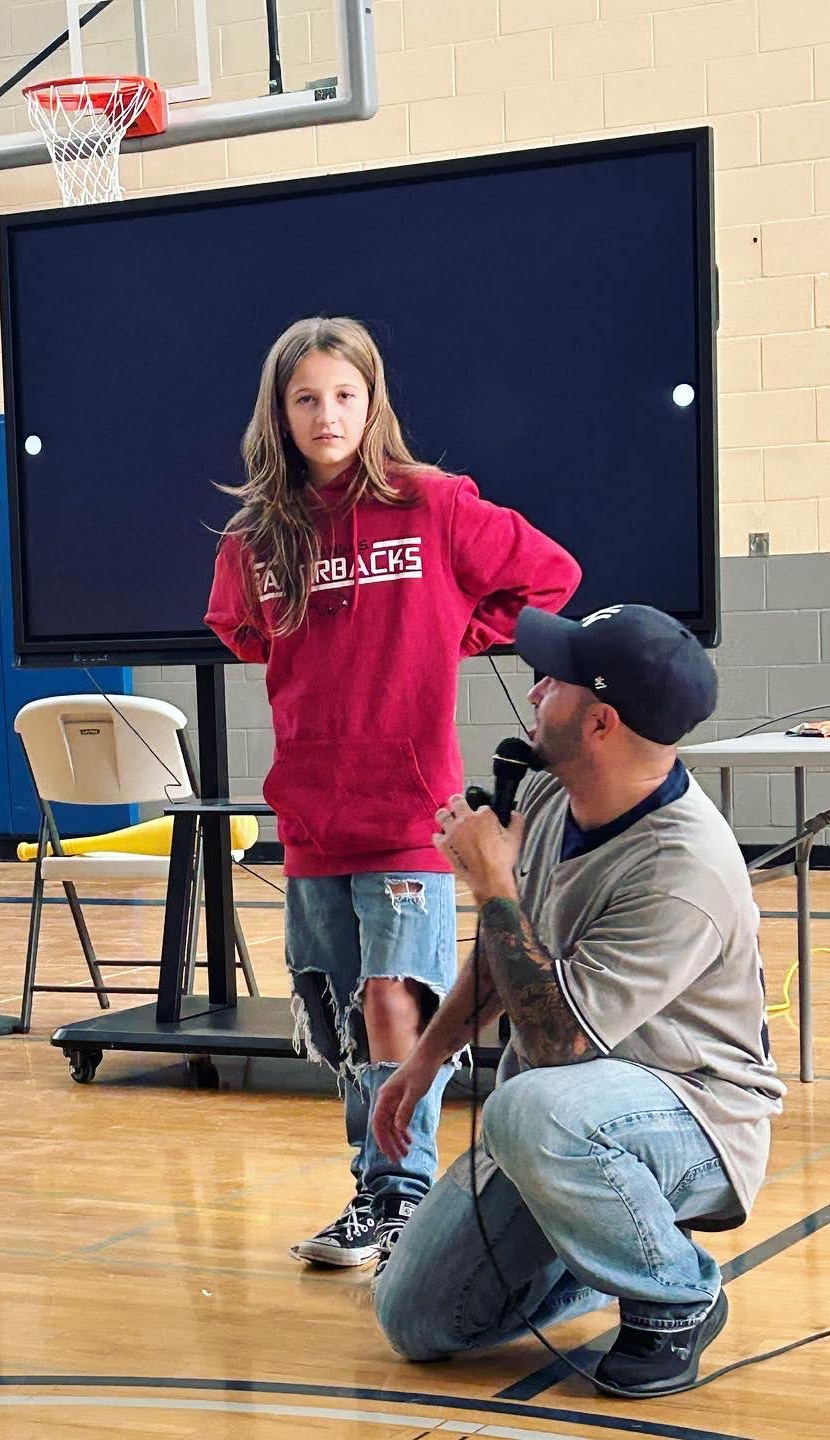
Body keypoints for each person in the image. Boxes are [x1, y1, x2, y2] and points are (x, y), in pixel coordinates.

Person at [204, 316, 580, 1273]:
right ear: (279, 413)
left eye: (343, 394)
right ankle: (375, 1185)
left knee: (392, 1001)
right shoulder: (260, 535)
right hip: (312, 814)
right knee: (339, 1013)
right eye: (305, 398)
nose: (326, 413)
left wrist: (453, 625)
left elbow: (551, 576)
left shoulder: (433, 503)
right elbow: (245, 634)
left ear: (372, 402)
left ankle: (398, 1195)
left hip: (411, 814)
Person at [372, 603, 785, 1398]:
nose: (533, 692)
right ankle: (603, 1242)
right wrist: (424, 1060)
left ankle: (677, 1297)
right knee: (417, 1318)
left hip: (695, 1118)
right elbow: (511, 953)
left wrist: (492, 884)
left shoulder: (683, 867)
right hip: (572, 1119)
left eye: (552, 680)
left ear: (599, 722)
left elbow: (562, 1047)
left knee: (529, 1106)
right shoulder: (557, 797)